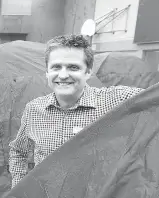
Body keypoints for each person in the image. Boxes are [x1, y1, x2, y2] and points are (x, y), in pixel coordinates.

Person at [8, 34, 144, 187]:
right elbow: (18, 150)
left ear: (88, 72)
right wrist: (18, 187)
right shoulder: (34, 109)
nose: (63, 75)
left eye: (73, 67)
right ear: (47, 72)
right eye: (56, 67)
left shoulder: (113, 100)